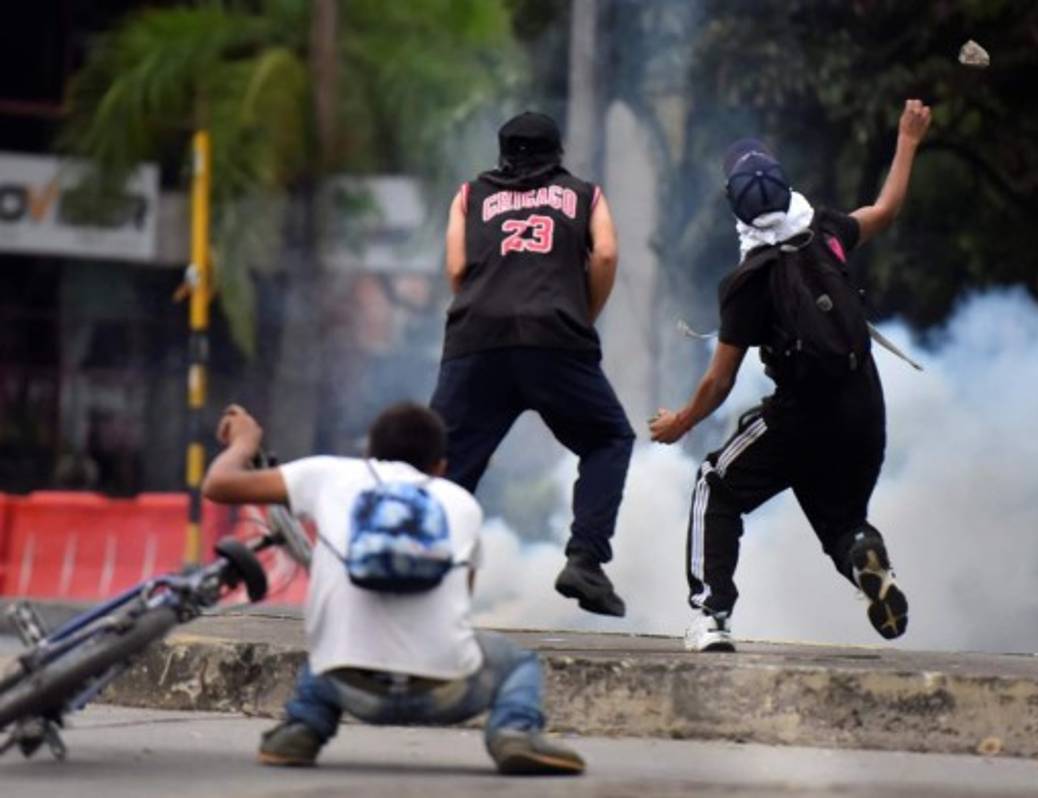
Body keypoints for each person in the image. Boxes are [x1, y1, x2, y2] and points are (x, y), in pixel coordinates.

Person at [649, 100, 932, 652]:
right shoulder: (825, 229)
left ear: (735, 206)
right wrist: (907, 140)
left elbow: (720, 381)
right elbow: (886, 209)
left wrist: (681, 422)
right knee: (842, 518)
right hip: (864, 405)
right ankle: (863, 554)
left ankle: (710, 617)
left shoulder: (747, 280)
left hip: (802, 412)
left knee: (716, 484)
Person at [201, 402, 585, 775]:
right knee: (518, 662)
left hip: (348, 687)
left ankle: (302, 727)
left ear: (369, 453)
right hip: (443, 691)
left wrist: (244, 442)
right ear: (440, 466)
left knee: (328, 646)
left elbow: (218, 485)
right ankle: (514, 732)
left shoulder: (329, 475)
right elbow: (459, 606)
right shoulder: (460, 502)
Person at [430, 111, 634, 617]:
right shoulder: (586, 195)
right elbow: (605, 255)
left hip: (477, 338)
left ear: (502, 152)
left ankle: (424, 574)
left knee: (445, 466)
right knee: (608, 438)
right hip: (556, 336)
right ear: (557, 152)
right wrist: (582, 315)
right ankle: (585, 559)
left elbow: (457, 268)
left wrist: (484, 308)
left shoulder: (468, 195)